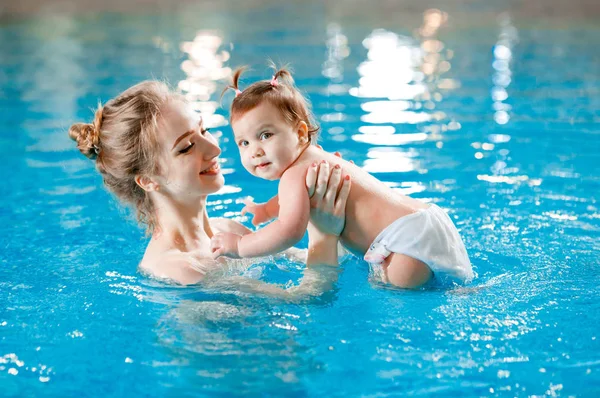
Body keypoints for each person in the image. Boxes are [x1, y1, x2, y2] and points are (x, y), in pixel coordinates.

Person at [68, 80, 351, 298]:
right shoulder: (178, 268)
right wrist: (324, 235)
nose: (214, 148)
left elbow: (323, 262)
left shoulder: (230, 231)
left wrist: (333, 196)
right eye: (187, 147)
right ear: (147, 179)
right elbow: (305, 301)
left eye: (203, 130)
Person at [210, 66, 474, 288]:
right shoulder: (316, 158)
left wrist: (241, 245)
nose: (255, 151)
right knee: (454, 289)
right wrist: (268, 209)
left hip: (401, 246)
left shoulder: (293, 175)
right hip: (426, 219)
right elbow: (296, 198)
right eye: (243, 143)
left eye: (265, 135)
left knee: (396, 286)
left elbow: (289, 231)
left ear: (301, 133)